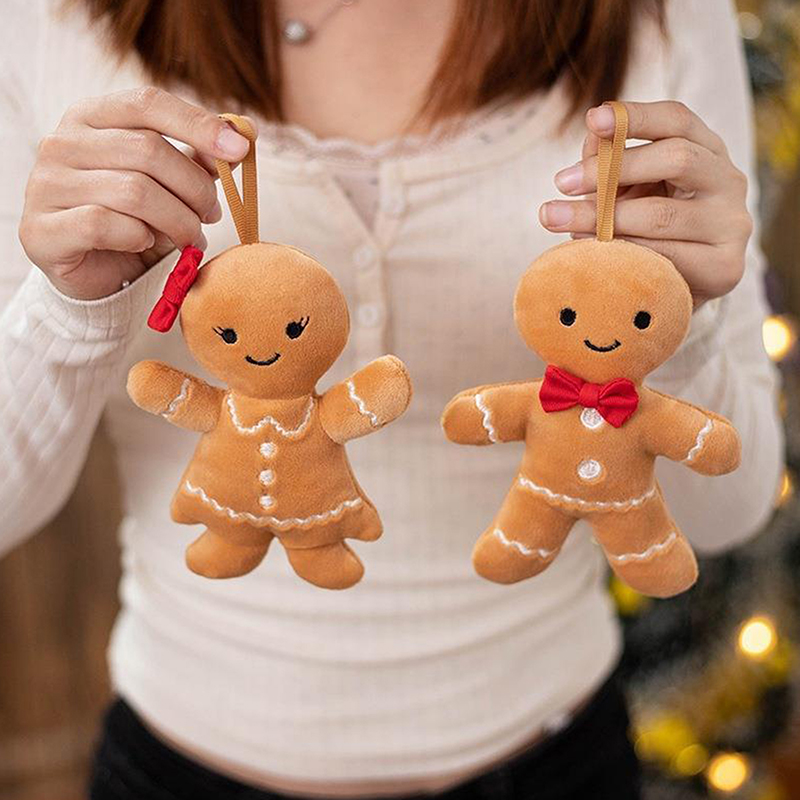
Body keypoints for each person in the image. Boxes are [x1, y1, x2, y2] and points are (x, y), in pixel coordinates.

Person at [0, 0, 783, 798]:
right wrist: (69, 314)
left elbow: (727, 514)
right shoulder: (44, 22)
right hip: (178, 759)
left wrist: (676, 323)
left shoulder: (664, 18)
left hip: (555, 757)